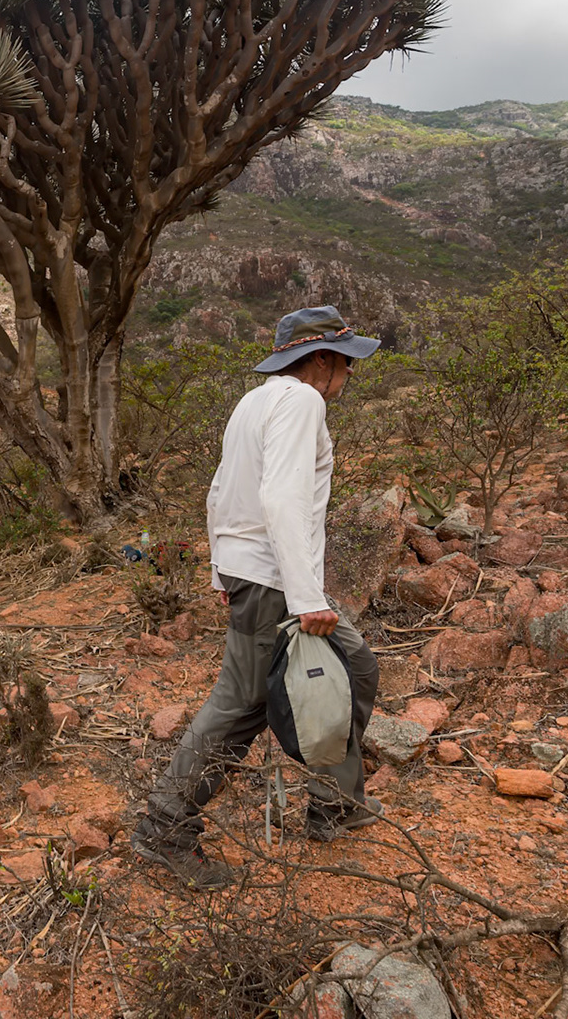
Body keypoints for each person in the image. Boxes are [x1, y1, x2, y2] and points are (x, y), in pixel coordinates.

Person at [131, 306, 385, 888]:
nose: (349, 373)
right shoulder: (302, 401)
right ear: (320, 359)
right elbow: (281, 499)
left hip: (255, 574)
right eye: (346, 361)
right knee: (244, 702)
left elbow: (219, 491)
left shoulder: (254, 402)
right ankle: (166, 827)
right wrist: (305, 596)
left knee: (353, 669)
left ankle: (335, 804)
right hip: (276, 581)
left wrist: (224, 573)